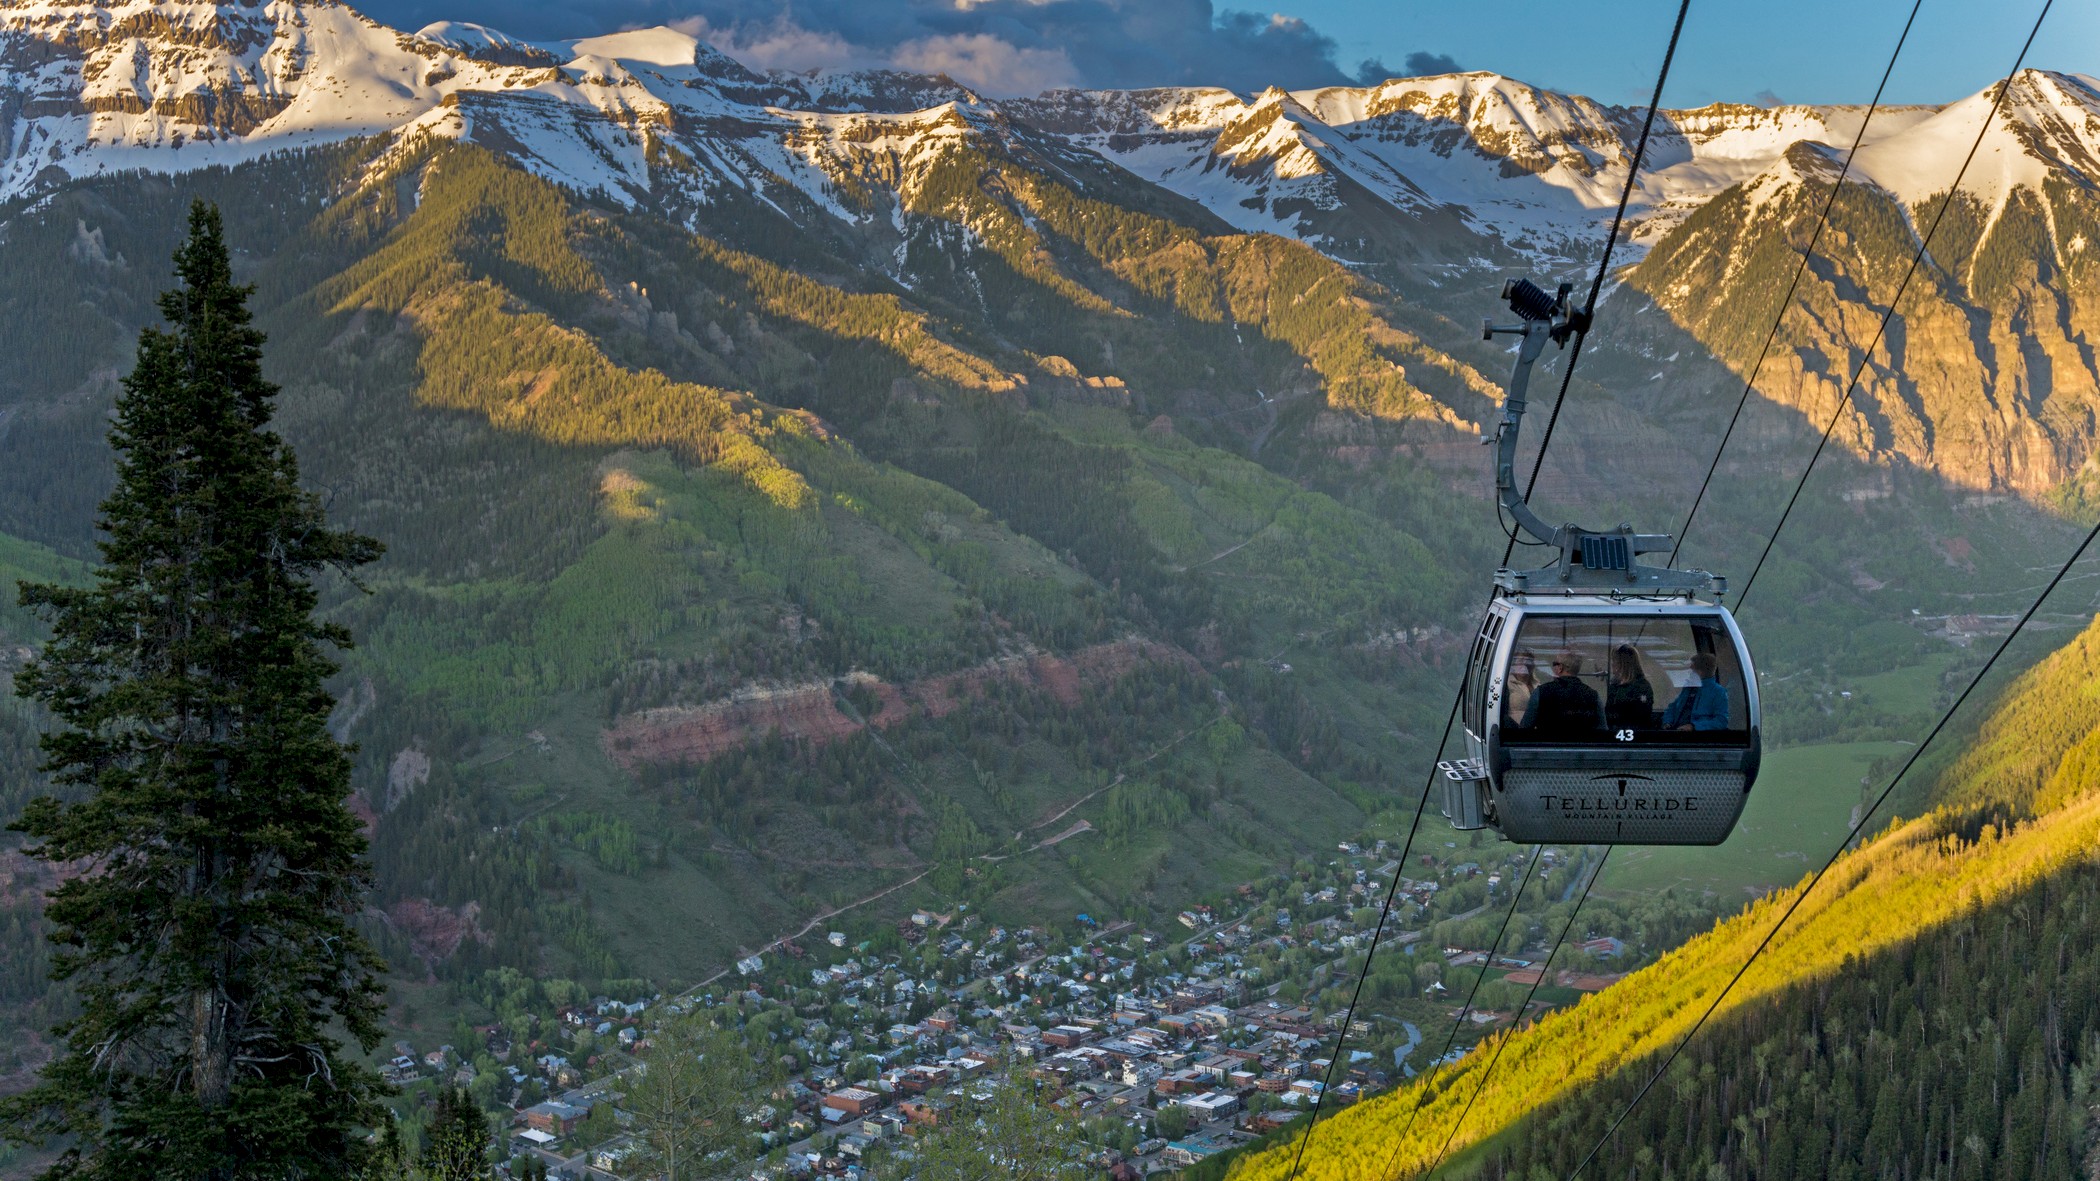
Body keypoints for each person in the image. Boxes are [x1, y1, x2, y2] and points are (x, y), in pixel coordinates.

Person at [1521, 649, 1604, 736]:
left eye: (1554, 664)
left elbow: (1525, 728)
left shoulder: (1540, 693)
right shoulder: (1593, 696)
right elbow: (1602, 731)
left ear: (1560, 668)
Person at [1661, 652, 1732, 731]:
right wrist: (1667, 722)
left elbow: (1721, 721)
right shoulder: (1688, 688)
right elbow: (1672, 707)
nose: (1690, 674)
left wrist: (1694, 727)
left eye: (1692, 671)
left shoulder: (1718, 692)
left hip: (1698, 736)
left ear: (1699, 672)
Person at [1605, 644, 1655, 731]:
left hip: (1634, 735)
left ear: (1623, 664)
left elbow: (1642, 716)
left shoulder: (1642, 687)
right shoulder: (1614, 686)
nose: (1612, 664)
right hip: (1613, 733)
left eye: (1615, 661)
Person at [1504, 650, 1539, 725]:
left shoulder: (1538, 684)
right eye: (1520, 661)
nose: (1524, 664)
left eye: (1527, 661)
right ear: (1514, 664)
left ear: (1532, 666)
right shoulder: (1506, 684)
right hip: (1514, 730)